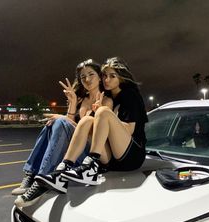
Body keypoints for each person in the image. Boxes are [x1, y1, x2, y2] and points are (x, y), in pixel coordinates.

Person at [35, 57, 148, 191]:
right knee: (87, 120)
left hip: (132, 156)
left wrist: (103, 115)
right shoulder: (109, 97)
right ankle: (62, 170)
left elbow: (129, 130)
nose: (107, 80)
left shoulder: (130, 95)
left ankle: (90, 167)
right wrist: (97, 117)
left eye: (112, 76)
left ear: (122, 78)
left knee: (102, 112)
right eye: (104, 75)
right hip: (111, 161)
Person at [13, 59, 113, 206]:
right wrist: (72, 103)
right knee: (52, 123)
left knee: (59, 121)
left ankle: (41, 181)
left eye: (91, 74)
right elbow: (68, 127)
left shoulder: (107, 101)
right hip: (74, 151)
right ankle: (31, 174)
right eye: (83, 76)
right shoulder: (80, 100)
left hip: (90, 155)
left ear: (99, 77)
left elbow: (89, 132)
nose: (87, 79)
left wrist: (63, 118)